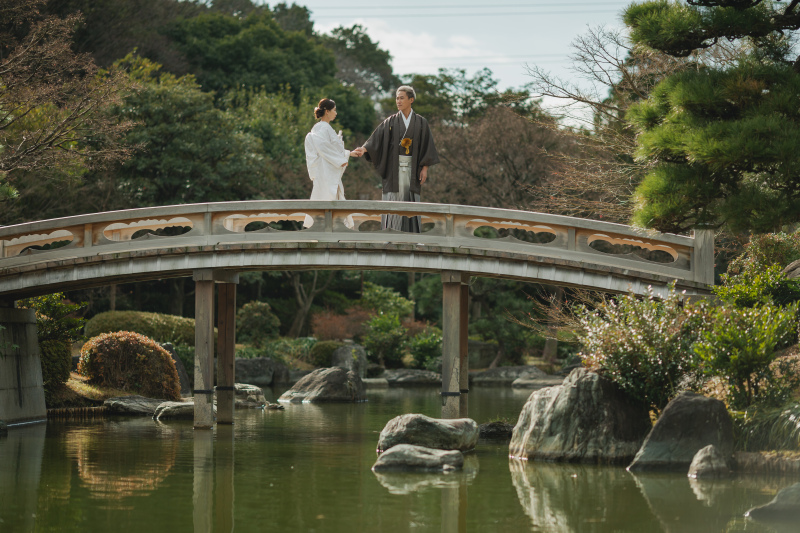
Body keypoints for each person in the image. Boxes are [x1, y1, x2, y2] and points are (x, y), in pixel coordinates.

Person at [357, 86, 440, 232]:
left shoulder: (421, 123)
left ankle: (413, 235)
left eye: (402, 98)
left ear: (411, 100)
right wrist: (364, 149)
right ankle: (390, 234)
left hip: (413, 168)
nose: (398, 101)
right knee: (393, 198)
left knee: (411, 200)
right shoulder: (390, 122)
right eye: (397, 98)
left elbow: (427, 146)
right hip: (394, 169)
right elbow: (375, 139)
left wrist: (425, 168)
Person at [304, 98, 361, 229]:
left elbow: (333, 149)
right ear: (327, 111)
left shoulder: (323, 128)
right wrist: (340, 159)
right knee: (326, 196)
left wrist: (348, 154)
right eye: (334, 110)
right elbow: (323, 147)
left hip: (328, 169)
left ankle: (330, 228)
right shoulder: (322, 128)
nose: (336, 113)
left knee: (329, 196)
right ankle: (326, 228)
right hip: (325, 171)